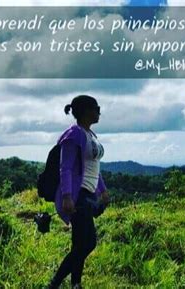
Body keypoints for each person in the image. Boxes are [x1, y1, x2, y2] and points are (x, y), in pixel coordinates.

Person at [47, 95, 110, 289]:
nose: (99, 112)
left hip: (89, 194)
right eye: (96, 108)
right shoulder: (73, 135)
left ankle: (76, 284)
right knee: (88, 243)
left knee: (79, 244)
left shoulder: (90, 134)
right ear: (85, 111)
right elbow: (65, 168)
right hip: (78, 194)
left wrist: (103, 190)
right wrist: (67, 196)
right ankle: (54, 284)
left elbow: (93, 168)